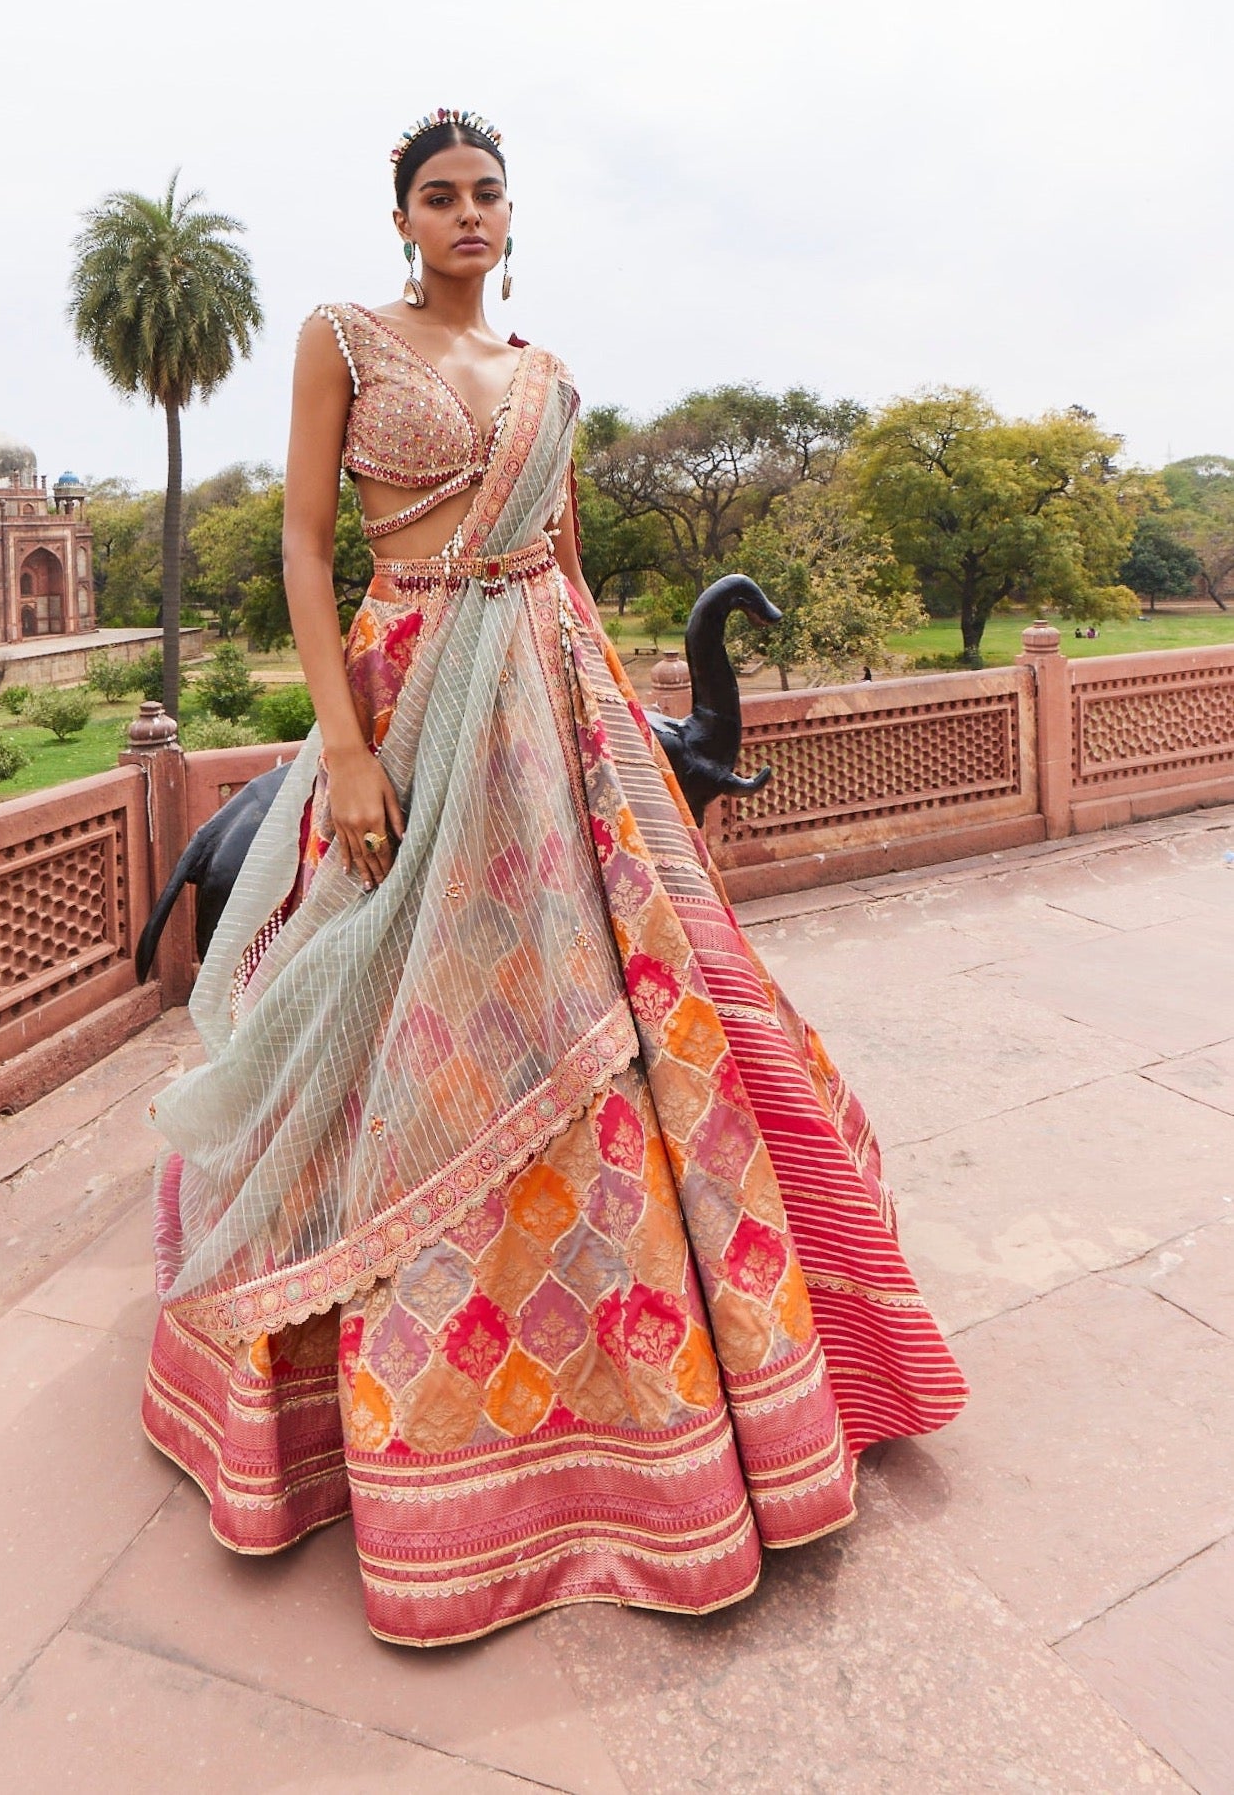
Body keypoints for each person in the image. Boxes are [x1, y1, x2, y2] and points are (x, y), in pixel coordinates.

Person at [143, 108, 966, 1648]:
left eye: (487, 196)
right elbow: (308, 549)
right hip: (407, 696)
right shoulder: (345, 339)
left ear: (512, 221)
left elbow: (568, 565)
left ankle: (677, 1398)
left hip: (552, 709)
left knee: (626, 1009)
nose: (465, 215)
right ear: (404, 217)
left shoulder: (547, 381)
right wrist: (343, 747)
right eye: (439, 195)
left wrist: (625, 745)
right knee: (385, 1011)